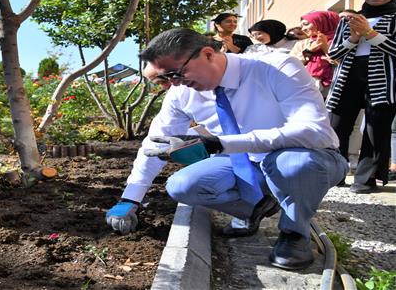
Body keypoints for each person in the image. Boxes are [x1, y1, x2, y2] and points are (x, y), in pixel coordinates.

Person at [105, 28, 346, 270]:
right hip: (245, 160)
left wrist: (223, 144)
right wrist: (130, 198)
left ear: (208, 54)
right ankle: (255, 209)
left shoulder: (276, 67)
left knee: (292, 165)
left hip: (306, 157)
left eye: (176, 74)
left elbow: (314, 131)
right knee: (182, 186)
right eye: (166, 79)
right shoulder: (182, 93)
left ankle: (295, 233)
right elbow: (156, 143)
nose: (174, 84)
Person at [326, 0, 396, 193]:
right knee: (337, 127)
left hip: (382, 79)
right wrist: (354, 38)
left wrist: (370, 33)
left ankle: (365, 180)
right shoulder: (348, 19)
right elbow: (334, 52)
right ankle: (335, 174)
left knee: (376, 131)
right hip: (347, 77)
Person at [290, 11, 340, 96]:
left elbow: (344, 63)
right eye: (301, 26)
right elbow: (291, 65)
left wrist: (325, 48)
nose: (303, 29)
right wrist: (309, 51)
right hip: (307, 88)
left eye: (306, 24)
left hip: (337, 88)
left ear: (321, 22)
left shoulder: (340, 40)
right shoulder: (302, 44)